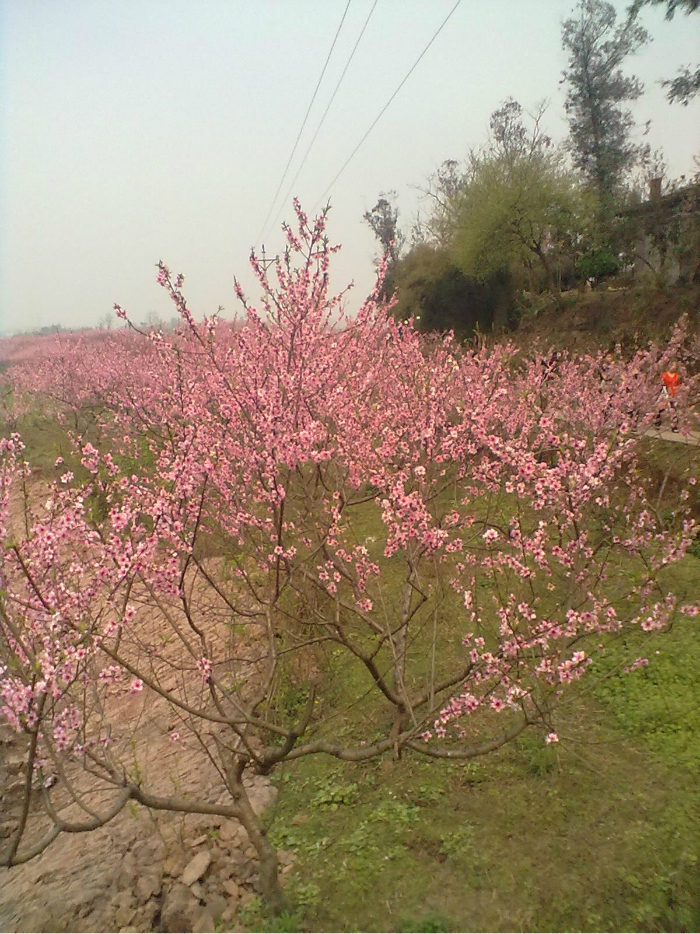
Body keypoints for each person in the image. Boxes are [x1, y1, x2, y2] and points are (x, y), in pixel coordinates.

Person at [659, 361, 681, 431]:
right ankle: (657, 421)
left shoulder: (677, 376)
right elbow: (661, 384)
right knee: (661, 408)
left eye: (675, 366)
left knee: (673, 409)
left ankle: (674, 426)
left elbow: (678, 385)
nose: (674, 367)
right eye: (672, 365)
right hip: (665, 393)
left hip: (674, 394)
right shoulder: (664, 375)